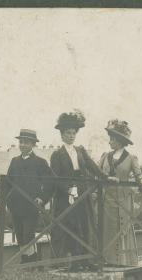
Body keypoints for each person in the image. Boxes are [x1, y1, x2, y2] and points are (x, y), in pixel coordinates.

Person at [49, 110, 104, 271]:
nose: (71, 136)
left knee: (85, 224)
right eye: (68, 133)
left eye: (73, 133)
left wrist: (105, 177)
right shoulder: (57, 155)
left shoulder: (80, 151)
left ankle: (85, 260)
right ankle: (72, 261)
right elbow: (55, 178)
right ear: (62, 134)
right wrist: (68, 190)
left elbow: (93, 167)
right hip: (65, 195)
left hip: (82, 191)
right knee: (70, 226)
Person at [98, 119, 142, 266]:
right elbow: (97, 173)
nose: (109, 142)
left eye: (112, 139)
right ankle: (108, 259)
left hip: (124, 199)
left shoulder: (131, 158)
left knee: (123, 227)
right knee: (108, 228)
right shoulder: (105, 156)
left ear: (119, 140)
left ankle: (124, 260)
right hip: (107, 198)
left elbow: (139, 174)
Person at [6, 129, 53, 264]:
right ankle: (27, 261)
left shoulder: (40, 162)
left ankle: (30, 264)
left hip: (31, 205)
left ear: (33, 144)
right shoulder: (14, 161)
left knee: (28, 235)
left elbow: (49, 183)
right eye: (21, 142)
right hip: (16, 205)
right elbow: (8, 182)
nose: (23, 145)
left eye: (26, 142)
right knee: (20, 235)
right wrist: (8, 200)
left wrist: (42, 199)